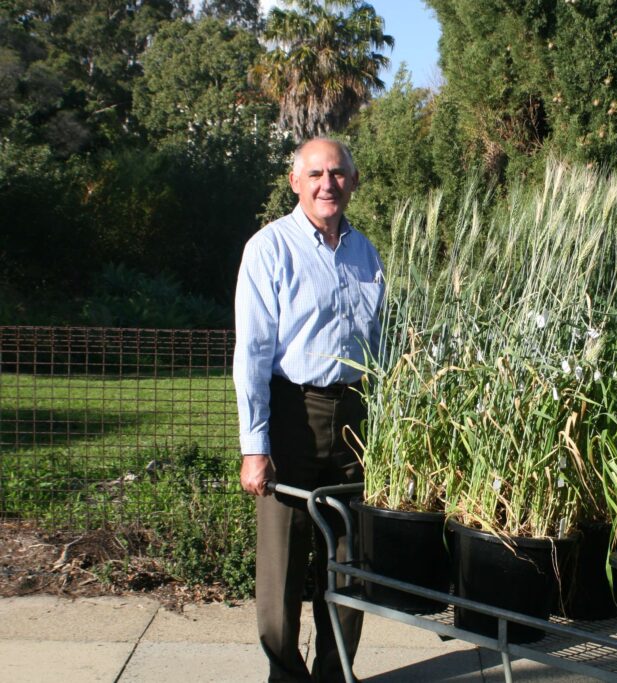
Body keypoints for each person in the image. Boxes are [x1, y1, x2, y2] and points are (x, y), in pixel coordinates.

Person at [233, 138, 384, 682]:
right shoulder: (270, 249)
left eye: (338, 173)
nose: (328, 183)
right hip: (294, 412)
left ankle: (335, 672)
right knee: (283, 560)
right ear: (295, 182)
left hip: (356, 417)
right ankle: (285, 675)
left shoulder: (366, 253)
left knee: (350, 559)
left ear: (353, 180)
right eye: (316, 173)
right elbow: (250, 353)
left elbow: (380, 342)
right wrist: (256, 446)